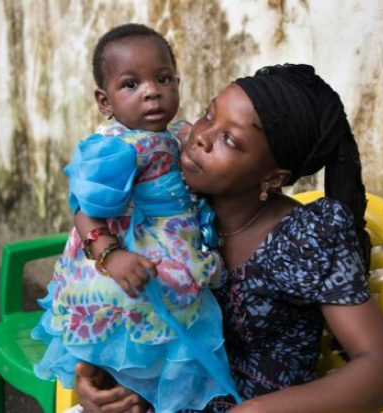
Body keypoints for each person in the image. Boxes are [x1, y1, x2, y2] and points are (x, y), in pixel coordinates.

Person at [74, 64, 383, 413]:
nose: (201, 136)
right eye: (208, 115)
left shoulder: (305, 238)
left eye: (230, 140)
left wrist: (255, 411)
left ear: (272, 177)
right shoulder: (174, 208)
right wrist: (102, 375)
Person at [31, 23, 242, 413]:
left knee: (170, 340)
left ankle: (151, 401)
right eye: (131, 84)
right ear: (104, 101)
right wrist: (111, 255)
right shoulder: (113, 149)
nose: (151, 91)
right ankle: (112, 393)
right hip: (130, 258)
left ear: (177, 81)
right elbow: (85, 210)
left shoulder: (178, 134)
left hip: (175, 252)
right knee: (133, 334)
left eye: (163, 78)